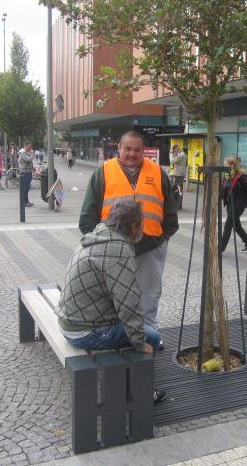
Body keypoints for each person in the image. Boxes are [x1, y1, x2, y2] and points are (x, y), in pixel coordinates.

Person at [57, 200, 166, 403]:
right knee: (151, 337)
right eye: (142, 225)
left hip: (70, 320)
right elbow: (129, 306)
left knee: (138, 333)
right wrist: (140, 343)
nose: (143, 229)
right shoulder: (119, 251)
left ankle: (129, 384)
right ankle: (138, 393)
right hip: (84, 331)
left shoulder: (99, 234)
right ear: (133, 227)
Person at [79, 130, 179, 336]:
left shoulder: (158, 173)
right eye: (127, 149)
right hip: (113, 248)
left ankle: (149, 333)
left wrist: (162, 241)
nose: (131, 154)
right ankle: (117, 333)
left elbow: (170, 214)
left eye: (137, 150)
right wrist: (100, 245)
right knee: (113, 292)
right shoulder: (103, 172)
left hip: (151, 246)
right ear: (119, 148)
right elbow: (87, 217)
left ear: (144, 151)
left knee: (150, 293)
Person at [169, 143, 187, 209]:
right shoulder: (181, 154)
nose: (174, 151)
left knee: (177, 189)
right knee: (179, 190)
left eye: (174, 149)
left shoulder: (181, 155)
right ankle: (179, 205)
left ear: (176, 148)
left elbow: (172, 161)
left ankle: (178, 205)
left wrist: (171, 154)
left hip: (178, 175)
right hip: (179, 174)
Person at [18, 141, 35, 207]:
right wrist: (32, 154)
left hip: (28, 171)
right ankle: (24, 202)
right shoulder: (22, 153)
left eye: (30, 147)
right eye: (28, 146)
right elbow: (28, 160)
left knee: (27, 187)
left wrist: (32, 168)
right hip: (24, 172)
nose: (30, 148)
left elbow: (29, 162)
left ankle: (26, 201)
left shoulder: (28, 152)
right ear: (25, 146)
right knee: (25, 187)